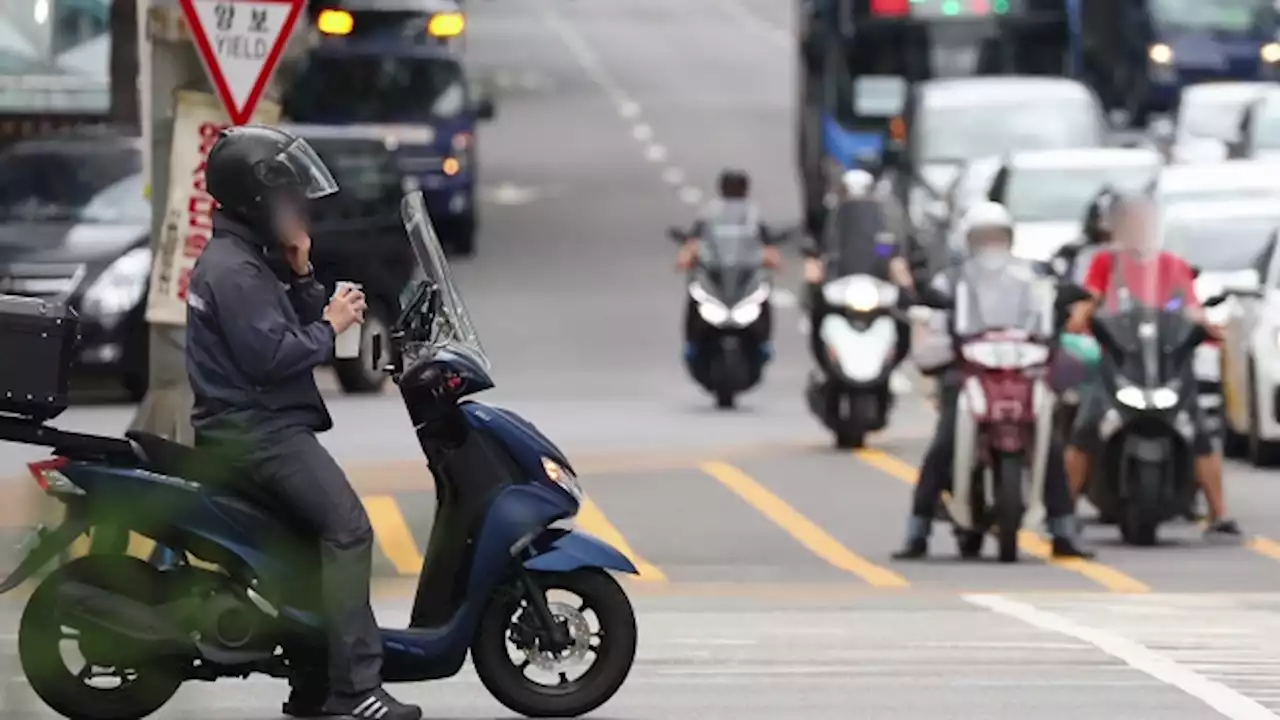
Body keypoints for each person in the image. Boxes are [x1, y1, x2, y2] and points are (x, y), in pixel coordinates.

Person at [186, 125, 421, 720]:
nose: (297, 208)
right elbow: (273, 358)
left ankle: (313, 683)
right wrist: (335, 323)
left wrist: (301, 273)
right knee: (348, 529)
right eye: (288, 197)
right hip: (257, 432)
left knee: (307, 547)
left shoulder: (248, 260)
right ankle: (356, 689)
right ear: (257, 199)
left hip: (258, 425)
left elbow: (282, 326)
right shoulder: (233, 271)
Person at [892, 201, 1094, 560]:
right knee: (944, 443)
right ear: (969, 240)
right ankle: (916, 530)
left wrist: (1060, 311)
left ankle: (1064, 530)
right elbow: (934, 324)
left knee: (1049, 442)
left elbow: (1051, 311)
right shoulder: (950, 280)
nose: (991, 243)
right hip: (968, 370)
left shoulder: (1031, 278)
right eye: (984, 236)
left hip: (1021, 369)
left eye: (997, 236)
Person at [1063, 192, 1241, 539]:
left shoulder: (1172, 265)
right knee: (1086, 428)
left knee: (1199, 431)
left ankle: (1219, 513)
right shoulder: (1106, 264)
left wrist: (1205, 326)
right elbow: (1091, 300)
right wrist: (1081, 315)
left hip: (1166, 363)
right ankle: (1062, 512)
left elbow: (1190, 307)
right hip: (1121, 362)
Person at [802, 168, 912, 369]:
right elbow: (820, 245)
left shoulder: (883, 218)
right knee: (817, 309)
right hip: (840, 280)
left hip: (873, 281)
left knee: (903, 314)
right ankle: (825, 362)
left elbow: (887, 246)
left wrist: (894, 262)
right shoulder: (830, 215)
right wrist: (816, 267)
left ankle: (890, 361)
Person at [676, 168, 780, 356]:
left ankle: (764, 341)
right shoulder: (711, 214)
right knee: (695, 293)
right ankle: (691, 342)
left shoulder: (752, 215)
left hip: (746, 271)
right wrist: (688, 257)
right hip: (714, 270)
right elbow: (694, 241)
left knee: (762, 294)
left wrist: (770, 258)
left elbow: (767, 243)